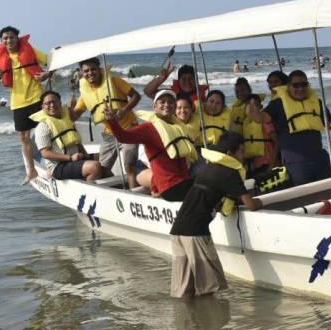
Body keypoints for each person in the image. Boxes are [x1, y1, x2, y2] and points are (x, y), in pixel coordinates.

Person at [168, 132, 263, 298]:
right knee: (209, 288)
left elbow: (209, 196)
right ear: (229, 154)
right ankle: (212, 323)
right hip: (195, 232)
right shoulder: (229, 173)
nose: (244, 155)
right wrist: (260, 202)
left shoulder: (208, 167)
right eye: (241, 151)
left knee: (182, 291)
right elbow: (250, 205)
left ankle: (186, 322)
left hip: (178, 230)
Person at [246, 69, 331, 186]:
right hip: (296, 162)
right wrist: (252, 112)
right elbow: (262, 118)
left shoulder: (316, 102)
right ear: (288, 86)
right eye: (296, 85)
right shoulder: (278, 104)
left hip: (320, 158)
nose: (300, 89)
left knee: (327, 191)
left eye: (304, 85)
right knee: (306, 195)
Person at [0, 26, 53, 184]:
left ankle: (52, 166)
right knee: (24, 138)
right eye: (5, 38)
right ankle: (31, 172)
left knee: (47, 132)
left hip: (37, 97)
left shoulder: (30, 50)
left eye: (12, 37)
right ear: (1, 41)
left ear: (18, 38)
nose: (9, 40)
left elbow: (52, 63)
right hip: (17, 102)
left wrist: (47, 74)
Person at [105, 90, 196, 200]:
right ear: (155, 107)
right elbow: (123, 137)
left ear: (174, 106)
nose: (166, 104)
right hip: (170, 185)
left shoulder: (179, 127)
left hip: (185, 180)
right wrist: (111, 121)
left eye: (170, 102)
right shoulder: (148, 128)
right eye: (162, 102)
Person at [69, 57, 142, 188]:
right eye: (86, 71)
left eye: (93, 69)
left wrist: (124, 110)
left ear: (99, 69)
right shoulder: (85, 94)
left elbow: (136, 96)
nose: (90, 73)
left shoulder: (114, 80)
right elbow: (74, 116)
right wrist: (70, 108)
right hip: (109, 135)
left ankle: (135, 195)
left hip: (128, 129)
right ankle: (119, 191)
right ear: (81, 73)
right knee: (101, 168)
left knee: (129, 166)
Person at [31, 91, 104, 182]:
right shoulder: (42, 127)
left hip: (76, 160)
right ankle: (88, 191)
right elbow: (45, 153)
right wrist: (70, 157)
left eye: (55, 102)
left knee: (104, 159)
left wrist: (85, 155)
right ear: (43, 107)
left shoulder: (66, 120)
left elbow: (76, 141)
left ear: (60, 103)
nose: (52, 105)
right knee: (95, 167)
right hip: (59, 166)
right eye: (48, 103)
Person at [240, 93, 277, 174]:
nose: (252, 109)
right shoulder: (244, 124)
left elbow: (277, 142)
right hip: (254, 166)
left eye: (256, 106)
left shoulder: (265, 121)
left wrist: (272, 165)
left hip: (267, 163)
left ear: (261, 106)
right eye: (249, 106)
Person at [144, 63, 208, 103]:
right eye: (184, 79)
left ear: (196, 80)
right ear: (178, 81)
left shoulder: (203, 99)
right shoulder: (171, 95)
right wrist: (161, 78)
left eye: (190, 79)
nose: (187, 82)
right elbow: (148, 92)